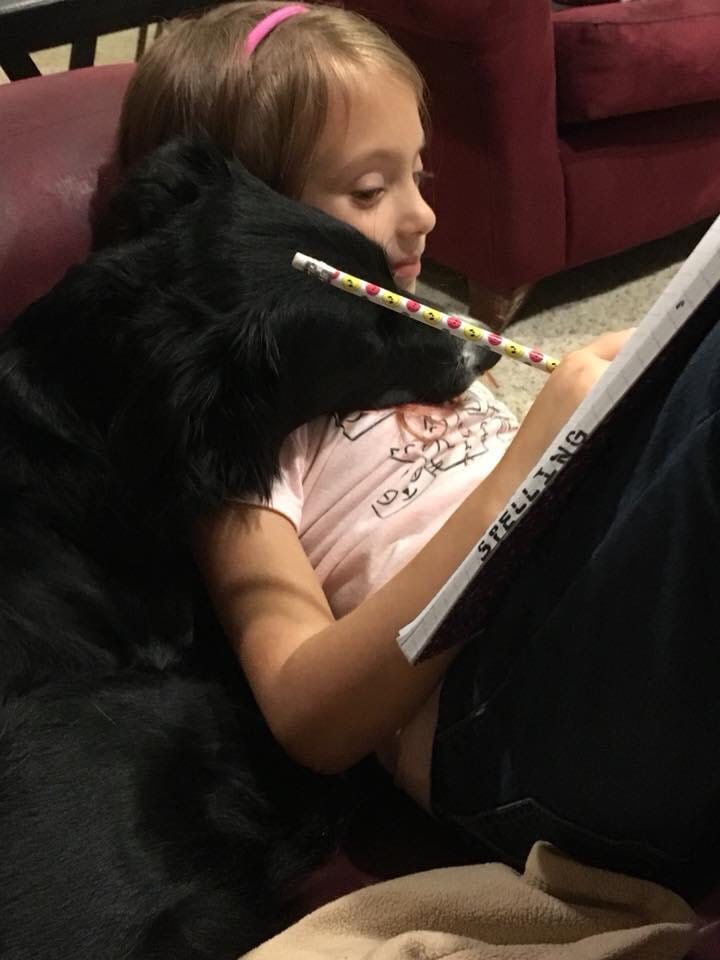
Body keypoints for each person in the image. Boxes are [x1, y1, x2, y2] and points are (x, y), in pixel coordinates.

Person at [112, 1, 720, 900]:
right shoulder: (240, 423)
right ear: (242, 224)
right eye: (369, 191)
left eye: (418, 174)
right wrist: (528, 470)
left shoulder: (421, 338)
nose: (423, 215)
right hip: (501, 727)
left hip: (602, 628)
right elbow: (310, 718)